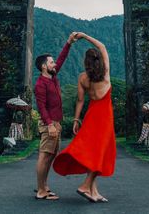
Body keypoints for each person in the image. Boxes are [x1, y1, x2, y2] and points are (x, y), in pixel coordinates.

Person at [53, 32, 116, 203]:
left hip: (90, 117)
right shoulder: (106, 74)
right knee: (101, 154)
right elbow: (102, 46)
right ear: (100, 61)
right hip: (104, 119)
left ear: (86, 63)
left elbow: (80, 101)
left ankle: (93, 192)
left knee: (93, 153)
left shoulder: (83, 78)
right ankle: (85, 185)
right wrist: (85, 36)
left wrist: (76, 120)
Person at [34, 32, 77, 200]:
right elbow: (41, 107)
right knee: (44, 155)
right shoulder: (40, 84)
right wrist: (50, 125)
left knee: (51, 155)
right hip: (49, 124)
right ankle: (40, 191)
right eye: (51, 62)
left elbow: (62, 58)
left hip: (56, 123)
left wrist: (68, 43)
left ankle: (44, 186)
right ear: (44, 66)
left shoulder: (52, 77)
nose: (54, 64)